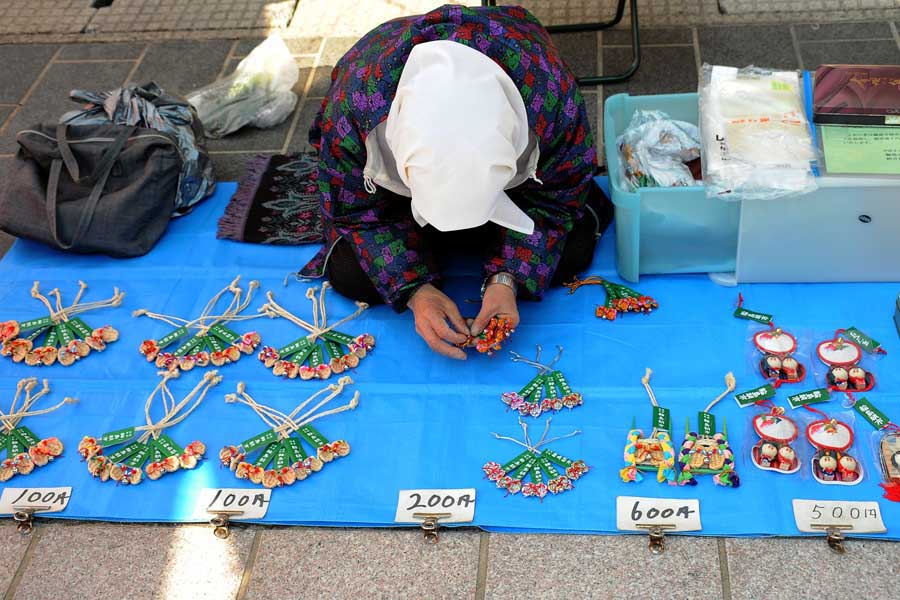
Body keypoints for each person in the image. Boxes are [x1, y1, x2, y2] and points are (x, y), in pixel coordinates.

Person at [299, 4, 610, 359]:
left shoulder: (551, 96)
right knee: (351, 274)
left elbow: (559, 196)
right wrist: (416, 291)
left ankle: (475, 244)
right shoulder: (354, 108)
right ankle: (438, 253)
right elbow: (355, 212)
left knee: (573, 248)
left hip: (519, 193)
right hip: (398, 204)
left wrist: (506, 279)